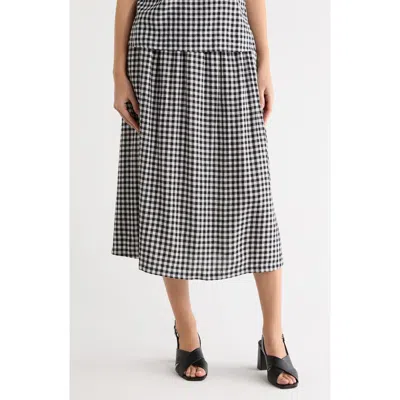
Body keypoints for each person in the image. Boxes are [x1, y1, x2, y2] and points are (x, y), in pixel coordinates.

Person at [112, 0, 298, 389]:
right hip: (159, 54)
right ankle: (186, 329)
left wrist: (265, 59)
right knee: (168, 196)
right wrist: (119, 71)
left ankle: (273, 335)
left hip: (230, 50)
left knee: (255, 200)